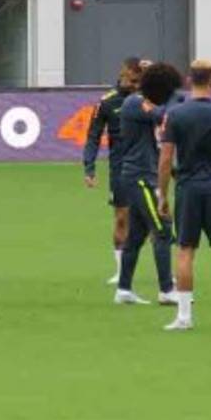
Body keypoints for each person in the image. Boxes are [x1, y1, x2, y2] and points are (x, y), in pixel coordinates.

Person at [158, 59, 211, 331]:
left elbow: (165, 158)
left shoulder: (176, 114)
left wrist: (163, 194)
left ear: (189, 80)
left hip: (188, 188)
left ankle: (184, 317)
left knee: (185, 251)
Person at [112, 62, 181, 306]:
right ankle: (166, 289)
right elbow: (164, 114)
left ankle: (123, 289)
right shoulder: (134, 102)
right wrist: (174, 95)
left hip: (142, 174)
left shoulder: (145, 101)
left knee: (136, 236)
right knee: (162, 229)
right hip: (140, 177)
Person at [81, 57, 144, 285]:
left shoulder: (149, 98)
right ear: (123, 73)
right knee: (121, 218)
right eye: (132, 78)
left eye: (138, 80)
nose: (134, 83)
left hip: (148, 166)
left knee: (158, 219)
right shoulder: (107, 102)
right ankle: (121, 271)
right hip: (121, 168)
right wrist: (89, 167)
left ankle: (166, 271)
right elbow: (93, 136)